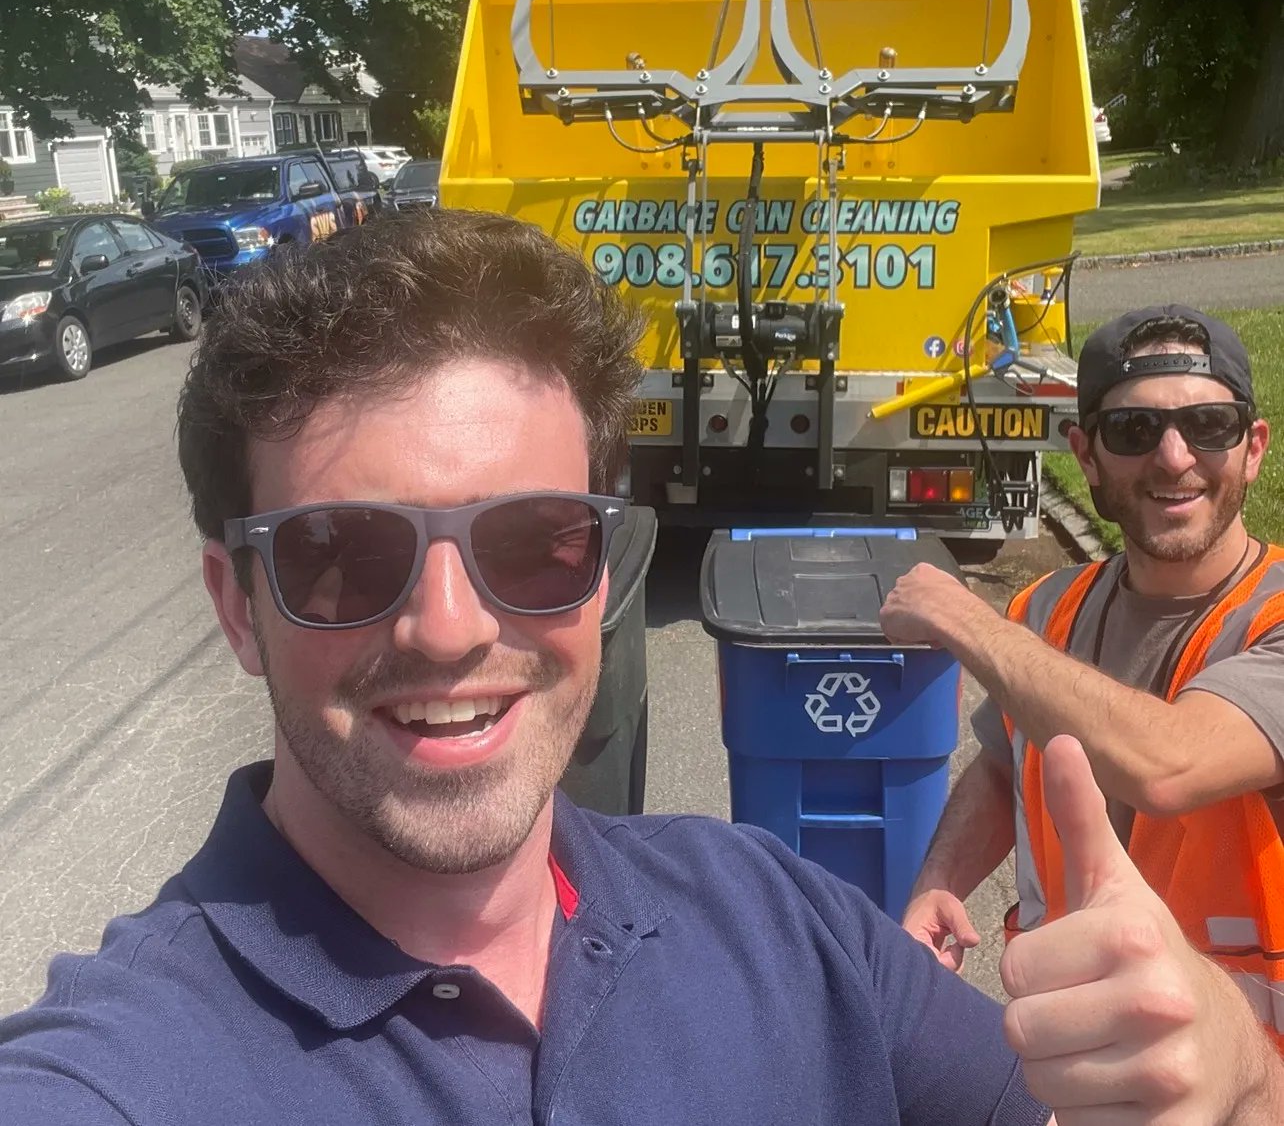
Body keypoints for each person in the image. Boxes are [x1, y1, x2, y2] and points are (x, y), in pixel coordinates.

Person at [0, 228, 1279, 1124]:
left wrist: (1235, 1074)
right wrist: (946, 869)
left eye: (533, 543)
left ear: (604, 573)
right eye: (341, 554)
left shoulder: (787, 921)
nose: (449, 627)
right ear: (237, 604)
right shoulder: (129, 1070)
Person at [886, 304, 1284, 1050]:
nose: (1174, 458)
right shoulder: (1048, 610)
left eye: (1210, 426)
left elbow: (1169, 764)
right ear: (1086, 454)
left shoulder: (1274, 618)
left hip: (1247, 1083)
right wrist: (939, 880)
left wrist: (966, 619)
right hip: (1076, 1053)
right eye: (1133, 432)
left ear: (1253, 448)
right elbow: (1007, 762)